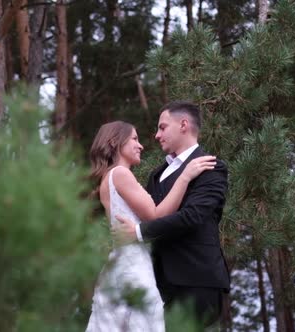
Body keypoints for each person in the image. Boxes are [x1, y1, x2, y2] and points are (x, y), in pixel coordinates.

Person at [85, 120, 216, 332]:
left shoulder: (108, 178)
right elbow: (156, 216)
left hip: (120, 264)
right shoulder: (120, 174)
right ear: (114, 142)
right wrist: (185, 176)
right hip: (133, 266)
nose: (141, 145)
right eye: (135, 139)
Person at [115, 101, 230, 329]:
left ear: (184, 125)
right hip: (159, 284)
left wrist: (137, 233)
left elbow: (192, 217)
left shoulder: (211, 167)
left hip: (196, 281)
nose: (157, 135)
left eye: (162, 127)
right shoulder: (157, 174)